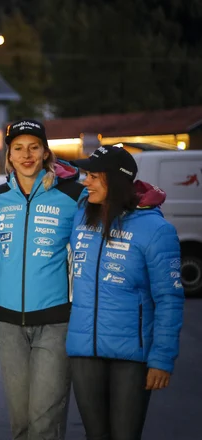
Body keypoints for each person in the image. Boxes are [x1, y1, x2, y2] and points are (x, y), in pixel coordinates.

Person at [67, 144, 185, 439]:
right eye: (86, 175)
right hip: (84, 350)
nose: (86, 182)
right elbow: (56, 172)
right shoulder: (83, 213)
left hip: (131, 357)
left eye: (94, 176)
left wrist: (162, 358)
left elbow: (169, 299)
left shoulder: (157, 230)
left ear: (116, 181)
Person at [0, 120, 85, 440]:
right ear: (10, 156)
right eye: (18, 148)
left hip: (56, 320)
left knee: (46, 420)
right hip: (8, 322)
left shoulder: (73, 196)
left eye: (34, 147)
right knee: (20, 421)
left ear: (45, 153)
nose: (26, 154)